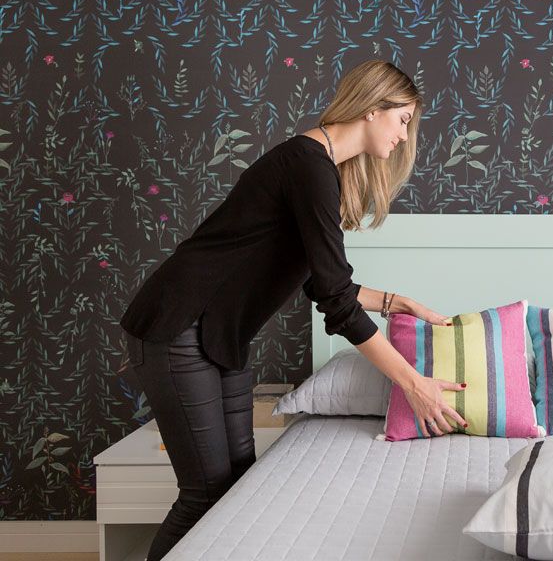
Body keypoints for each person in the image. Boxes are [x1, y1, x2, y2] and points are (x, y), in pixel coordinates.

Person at [119, 59, 466, 561]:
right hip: (178, 325)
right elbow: (336, 301)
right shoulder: (309, 165)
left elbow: (319, 280)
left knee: (237, 487)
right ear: (372, 108)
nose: (403, 136)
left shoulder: (318, 168)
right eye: (403, 120)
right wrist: (413, 384)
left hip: (220, 334)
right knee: (204, 495)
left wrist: (398, 302)